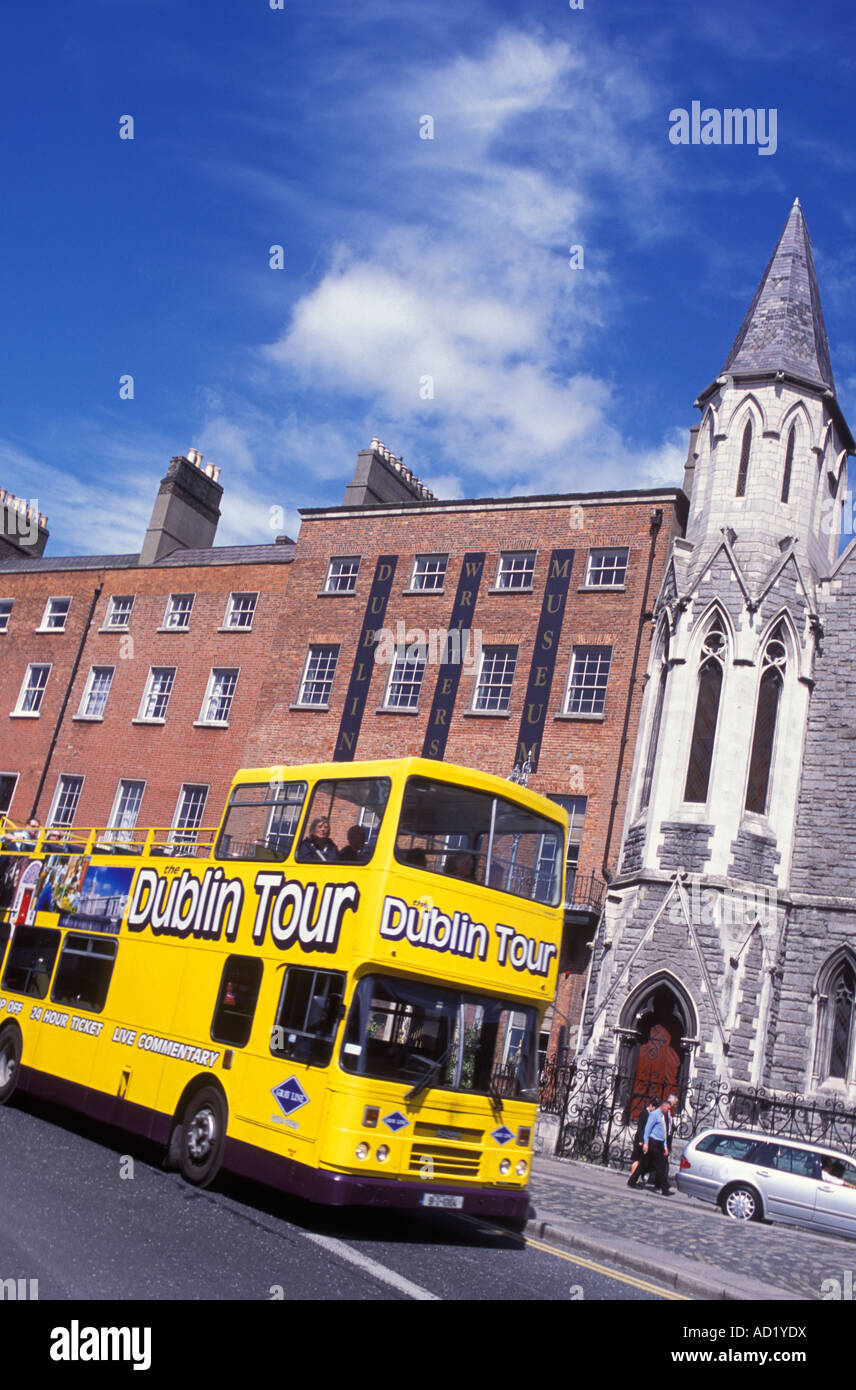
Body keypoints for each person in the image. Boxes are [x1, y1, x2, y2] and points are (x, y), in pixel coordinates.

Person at [628, 1099, 674, 1195]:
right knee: (661, 1166)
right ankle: (664, 1189)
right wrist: (645, 1143)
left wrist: (665, 1145)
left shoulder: (662, 1116)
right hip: (653, 1143)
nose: (668, 1110)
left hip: (660, 1143)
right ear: (663, 1106)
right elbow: (647, 1129)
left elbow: (664, 1133)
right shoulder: (654, 1115)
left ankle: (632, 1181)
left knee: (643, 1164)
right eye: (668, 1108)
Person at [628, 1099, 656, 1185]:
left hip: (644, 1140)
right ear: (650, 1105)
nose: (654, 1109)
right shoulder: (644, 1113)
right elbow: (640, 1127)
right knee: (637, 1159)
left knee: (640, 1160)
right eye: (654, 1107)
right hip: (640, 1140)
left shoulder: (650, 1114)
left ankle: (635, 1178)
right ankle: (633, 1177)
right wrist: (641, 1140)